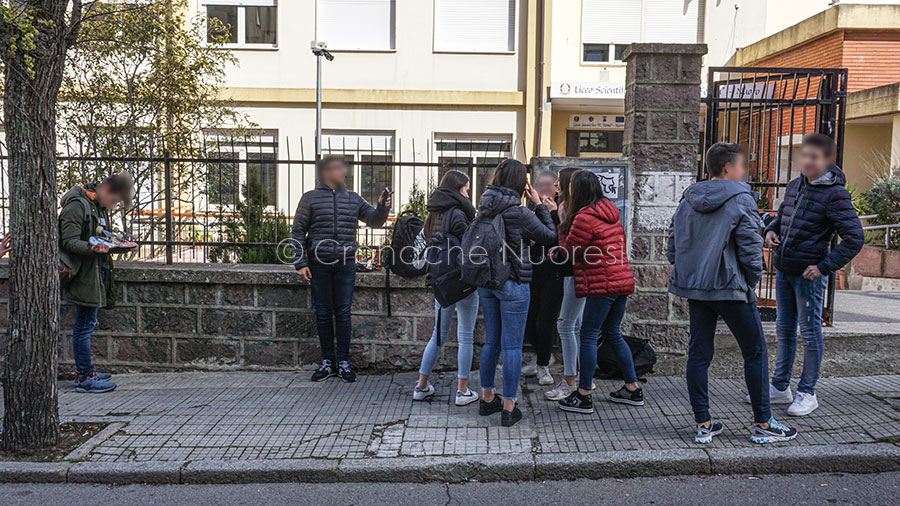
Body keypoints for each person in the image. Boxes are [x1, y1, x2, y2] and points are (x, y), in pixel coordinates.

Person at [668, 142, 797, 444]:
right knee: (754, 351)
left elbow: (673, 240)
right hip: (730, 286)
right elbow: (751, 249)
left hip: (697, 287)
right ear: (728, 168)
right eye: (742, 166)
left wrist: (689, 270)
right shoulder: (741, 198)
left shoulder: (689, 197)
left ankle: (703, 425)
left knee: (699, 353)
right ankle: (763, 424)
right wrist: (751, 280)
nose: (745, 172)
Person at [761, 134, 863, 416]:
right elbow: (781, 217)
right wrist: (770, 231)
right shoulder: (795, 186)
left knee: (809, 332)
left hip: (809, 276)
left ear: (828, 160)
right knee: (783, 328)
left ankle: (808, 392)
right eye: (804, 155)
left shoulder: (836, 194)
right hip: (784, 269)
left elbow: (854, 238)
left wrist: (823, 267)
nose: (806, 161)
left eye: (813, 157)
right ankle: (780, 386)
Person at [292, 155, 391, 383]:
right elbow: (297, 232)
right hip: (319, 264)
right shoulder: (310, 199)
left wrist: (382, 207)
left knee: (343, 313)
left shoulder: (353, 198)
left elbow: (374, 221)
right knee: (324, 314)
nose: (343, 172)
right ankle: (328, 362)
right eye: (338, 168)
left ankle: (343, 362)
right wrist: (301, 263)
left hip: (346, 264)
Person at [476, 159, 558, 427]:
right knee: (512, 346)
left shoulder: (484, 206)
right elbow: (549, 236)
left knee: (492, 342)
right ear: (521, 183)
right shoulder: (520, 212)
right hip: (513, 282)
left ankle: (487, 398)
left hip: (487, 282)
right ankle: (509, 406)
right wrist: (539, 206)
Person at [556, 171, 638, 415]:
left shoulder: (583, 218)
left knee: (588, 334)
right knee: (612, 333)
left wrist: (562, 224)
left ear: (578, 191)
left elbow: (569, 252)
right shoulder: (610, 212)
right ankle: (632, 388)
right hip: (622, 279)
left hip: (603, 283)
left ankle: (583, 395)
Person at [59, 172, 135, 393]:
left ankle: (87, 370)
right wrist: (91, 248)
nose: (113, 206)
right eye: (115, 201)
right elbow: (68, 241)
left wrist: (120, 243)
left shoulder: (96, 206)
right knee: (83, 326)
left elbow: (100, 235)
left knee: (88, 323)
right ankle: (84, 376)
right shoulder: (77, 206)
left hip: (93, 272)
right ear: (106, 189)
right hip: (82, 275)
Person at [413, 170, 480, 406]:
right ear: (457, 189)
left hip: (440, 282)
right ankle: (462, 391)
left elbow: (419, 248)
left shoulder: (433, 213)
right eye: (466, 189)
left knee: (437, 335)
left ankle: (421, 386)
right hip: (462, 281)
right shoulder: (458, 213)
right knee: (465, 336)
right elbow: (470, 245)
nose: (468, 193)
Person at [544, 167, 586, 401]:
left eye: (560, 181)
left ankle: (570, 381)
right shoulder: (574, 208)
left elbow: (568, 241)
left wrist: (554, 213)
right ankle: (579, 377)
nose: (556, 184)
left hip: (574, 273)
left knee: (565, 325)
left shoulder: (569, 210)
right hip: (576, 272)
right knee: (576, 326)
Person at [522, 170, 564, 386]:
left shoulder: (561, 210)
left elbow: (563, 237)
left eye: (550, 185)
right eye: (541, 184)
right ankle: (539, 357)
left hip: (554, 274)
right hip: (533, 271)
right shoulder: (532, 209)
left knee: (546, 321)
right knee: (530, 320)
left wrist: (554, 213)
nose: (545, 189)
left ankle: (544, 365)